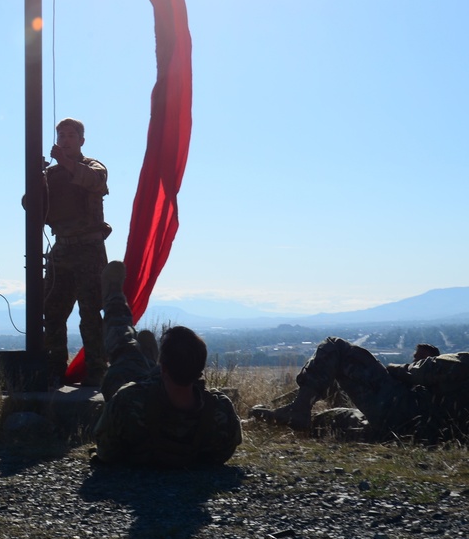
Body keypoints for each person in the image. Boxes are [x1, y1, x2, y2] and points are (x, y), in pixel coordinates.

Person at [92, 261, 242, 468]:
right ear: (200, 370)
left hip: (136, 380)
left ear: (163, 368)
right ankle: (146, 356)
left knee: (123, 346)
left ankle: (114, 297)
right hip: (159, 381)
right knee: (130, 355)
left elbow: (106, 453)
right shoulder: (220, 411)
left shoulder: (128, 401)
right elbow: (224, 453)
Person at [250, 337, 469, 443]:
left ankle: (298, 409)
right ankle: (258, 423)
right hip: (414, 436)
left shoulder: (464, 361)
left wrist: (394, 369)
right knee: (332, 419)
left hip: (400, 411)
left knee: (335, 347)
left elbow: (418, 372)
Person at [40, 117, 110, 387]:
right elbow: (31, 205)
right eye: (61, 135)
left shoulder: (92, 165)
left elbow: (94, 182)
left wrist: (66, 164)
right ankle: (56, 368)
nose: (65, 139)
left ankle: (96, 371)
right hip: (62, 249)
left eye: (71, 135)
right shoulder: (52, 174)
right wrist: (37, 179)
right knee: (53, 311)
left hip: (88, 248)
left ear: (81, 140)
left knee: (90, 312)